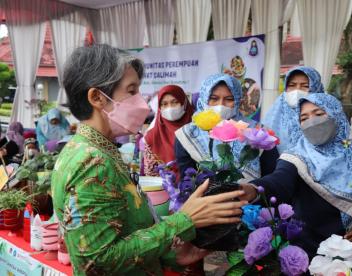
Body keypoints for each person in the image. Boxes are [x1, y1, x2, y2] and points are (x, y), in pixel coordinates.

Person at [52, 44, 248, 275]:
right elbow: (97, 262)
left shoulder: (90, 149)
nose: (143, 103)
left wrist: (175, 254)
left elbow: (125, 233)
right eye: (132, 91)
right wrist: (185, 220)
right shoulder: (91, 162)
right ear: (97, 98)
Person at [241, 93, 352, 260]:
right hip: (310, 251)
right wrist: (253, 189)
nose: (311, 122)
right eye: (304, 118)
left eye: (318, 114)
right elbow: (279, 181)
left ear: (336, 114)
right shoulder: (296, 157)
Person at [174, 74, 279, 180]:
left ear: (238, 101)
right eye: (214, 99)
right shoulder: (189, 134)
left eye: (229, 99)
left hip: (250, 195)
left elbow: (270, 178)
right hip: (204, 195)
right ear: (204, 99)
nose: (221, 105)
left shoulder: (258, 132)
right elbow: (187, 181)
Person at [263, 66, 324, 153]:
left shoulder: (326, 113)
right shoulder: (276, 112)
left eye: (305, 86)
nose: (297, 90)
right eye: (292, 85)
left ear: (316, 89)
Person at [144, 85, 194, 176]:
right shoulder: (152, 137)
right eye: (164, 104)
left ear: (184, 103)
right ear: (159, 108)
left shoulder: (198, 130)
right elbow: (150, 174)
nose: (170, 107)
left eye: (175, 102)